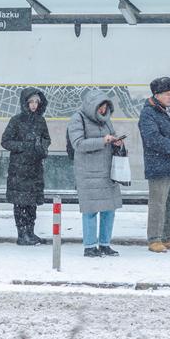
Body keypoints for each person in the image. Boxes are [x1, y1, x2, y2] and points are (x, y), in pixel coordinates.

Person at [66, 90, 126, 258]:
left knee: (109, 209)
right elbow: (78, 144)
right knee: (90, 210)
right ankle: (90, 246)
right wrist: (103, 141)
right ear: (93, 106)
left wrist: (117, 142)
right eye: (101, 106)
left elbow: (110, 137)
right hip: (88, 172)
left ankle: (105, 244)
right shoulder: (78, 118)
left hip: (107, 171)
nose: (103, 110)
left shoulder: (106, 120)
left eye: (106, 106)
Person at [138, 76, 170, 252]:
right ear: (157, 95)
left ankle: (169, 236)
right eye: (167, 94)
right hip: (158, 165)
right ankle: (154, 238)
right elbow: (152, 138)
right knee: (158, 203)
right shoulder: (148, 113)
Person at [0, 88, 51, 246]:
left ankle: (30, 232)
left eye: (36, 102)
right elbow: (5, 141)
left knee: (32, 204)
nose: (34, 105)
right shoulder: (16, 120)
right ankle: (22, 234)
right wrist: (24, 146)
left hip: (35, 168)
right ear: (25, 103)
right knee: (20, 203)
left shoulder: (41, 121)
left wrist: (40, 145)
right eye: (31, 102)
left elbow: (47, 139)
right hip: (19, 170)